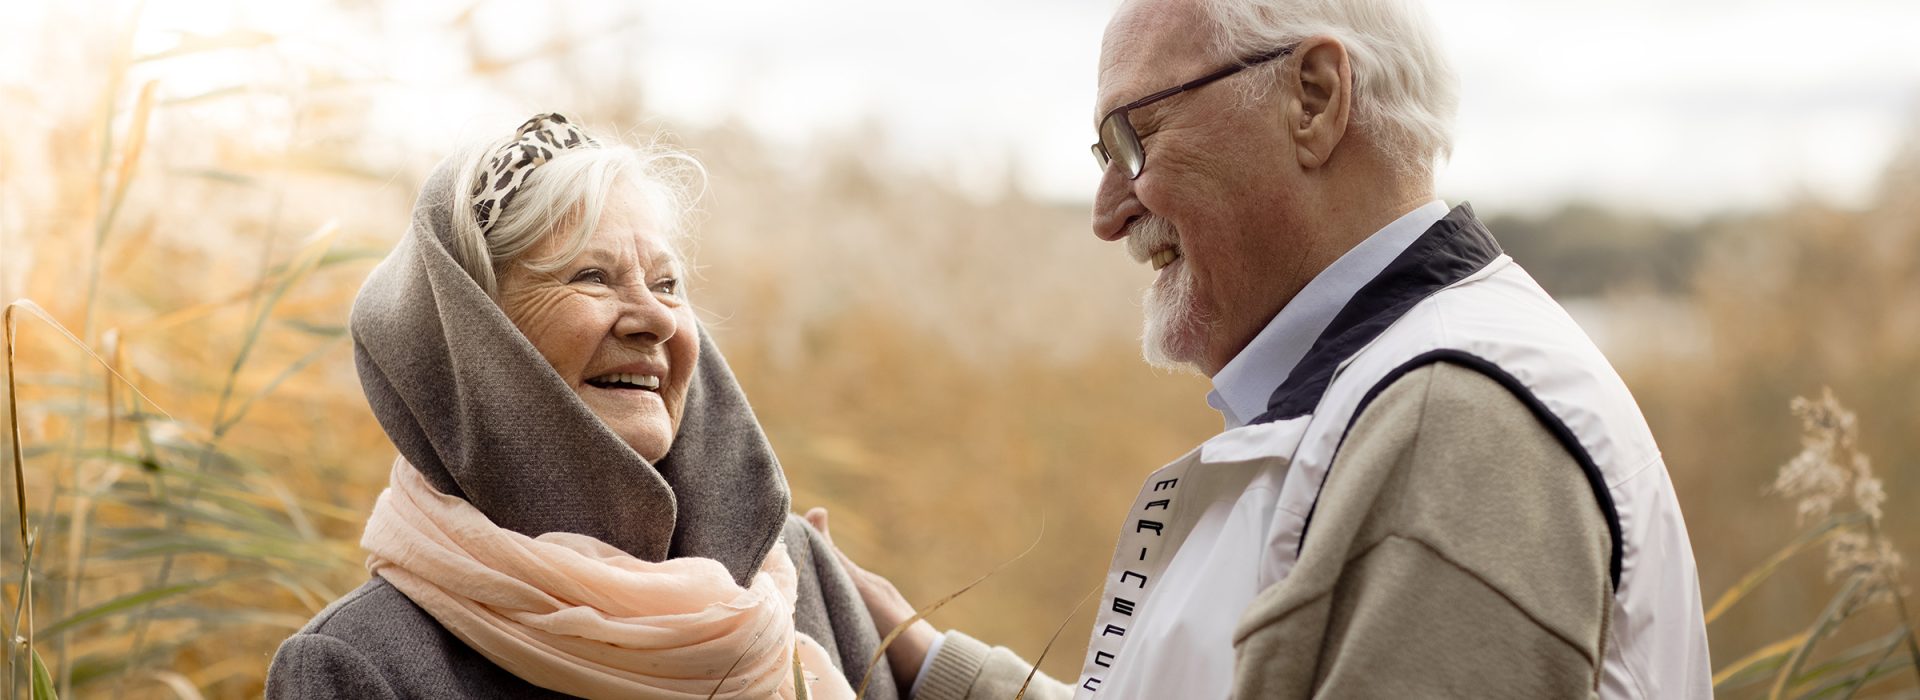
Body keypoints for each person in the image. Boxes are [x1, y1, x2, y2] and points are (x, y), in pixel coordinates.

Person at [811, 0, 1713, 697]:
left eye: (1135, 136)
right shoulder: (1380, 394)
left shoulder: (1452, 426)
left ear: (1314, 100)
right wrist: (922, 660)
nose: (1107, 212)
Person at [265, 114, 898, 700]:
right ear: (477, 341)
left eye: (667, 284)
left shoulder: (796, 572)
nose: (654, 319)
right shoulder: (361, 666)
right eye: (591, 276)